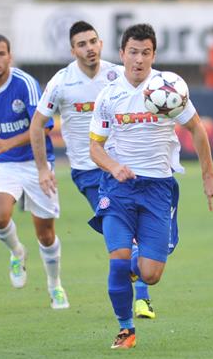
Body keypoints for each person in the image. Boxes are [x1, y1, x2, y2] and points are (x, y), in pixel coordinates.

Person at [88, 23, 213, 349]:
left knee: (150, 274)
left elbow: (198, 130)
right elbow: (94, 148)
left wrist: (208, 175)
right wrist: (114, 166)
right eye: (132, 52)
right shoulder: (109, 96)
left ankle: (137, 265)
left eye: (145, 53)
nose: (138, 59)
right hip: (119, 188)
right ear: (121, 54)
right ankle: (125, 329)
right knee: (117, 260)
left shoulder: (168, 88)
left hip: (158, 189)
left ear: (154, 54)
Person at [30, 21, 163, 319]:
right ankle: (139, 297)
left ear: (101, 44)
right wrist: (43, 169)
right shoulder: (62, 82)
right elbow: (37, 124)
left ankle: (141, 297)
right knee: (124, 239)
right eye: (82, 44)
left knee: (135, 237)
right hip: (89, 172)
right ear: (72, 49)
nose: (89, 48)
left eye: (93, 41)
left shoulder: (118, 74)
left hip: (124, 167)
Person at [0, 33, 69, 309]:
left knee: (45, 234)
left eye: (1, 54)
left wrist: (8, 142)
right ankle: (17, 252)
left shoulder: (26, 85)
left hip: (36, 162)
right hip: (2, 163)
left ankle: (55, 285)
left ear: (10, 56)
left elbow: (40, 126)